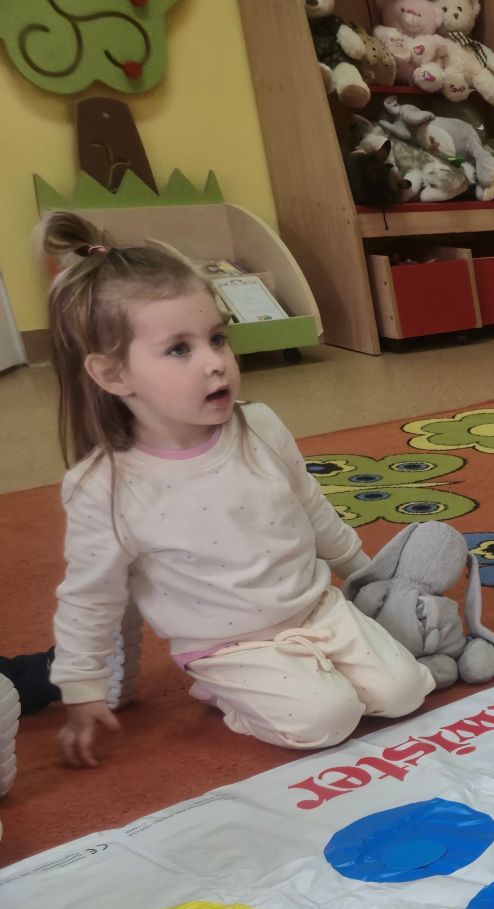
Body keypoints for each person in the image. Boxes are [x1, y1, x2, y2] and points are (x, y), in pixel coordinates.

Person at [40, 212, 430, 767]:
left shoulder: (261, 426)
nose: (215, 364)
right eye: (179, 349)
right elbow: (90, 596)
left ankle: (313, 671)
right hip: (226, 646)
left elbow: (312, 509)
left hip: (318, 610)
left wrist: (366, 576)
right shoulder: (103, 486)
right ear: (113, 375)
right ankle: (229, 696)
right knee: (327, 719)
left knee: (405, 690)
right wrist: (81, 687)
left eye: (218, 339)